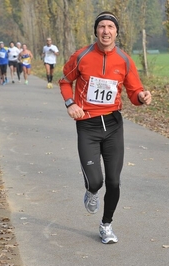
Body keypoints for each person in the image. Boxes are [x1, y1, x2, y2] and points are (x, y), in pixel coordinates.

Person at [59, 11, 152, 244]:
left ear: (116, 32)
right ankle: (91, 192)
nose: (106, 31)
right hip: (87, 125)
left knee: (113, 181)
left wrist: (142, 97)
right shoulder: (81, 56)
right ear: (96, 31)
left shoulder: (124, 59)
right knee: (96, 182)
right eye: (102, 26)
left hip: (113, 125)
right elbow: (64, 81)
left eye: (110, 26)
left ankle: (106, 225)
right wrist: (71, 104)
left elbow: (133, 92)